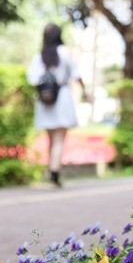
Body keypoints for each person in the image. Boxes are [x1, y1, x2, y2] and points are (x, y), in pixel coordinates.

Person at [27, 23, 88, 188]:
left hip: (44, 100)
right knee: (59, 139)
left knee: (51, 139)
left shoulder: (39, 56)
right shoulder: (64, 53)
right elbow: (76, 74)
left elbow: (32, 79)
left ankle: (52, 171)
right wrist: (86, 91)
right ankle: (54, 173)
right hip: (62, 97)